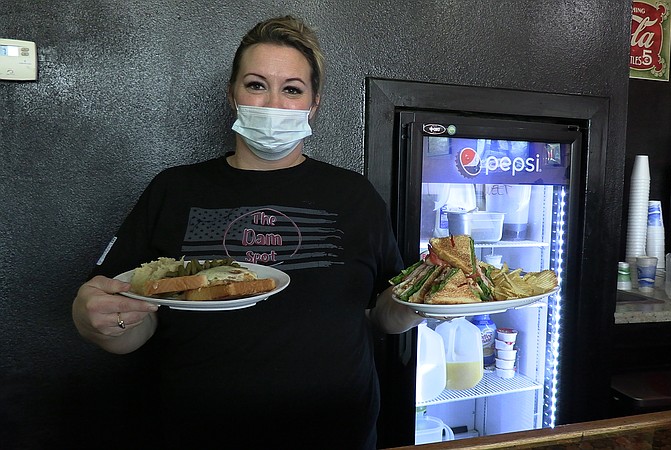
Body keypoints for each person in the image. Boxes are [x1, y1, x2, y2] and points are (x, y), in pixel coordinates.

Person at [71, 15, 422, 449]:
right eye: (256, 85)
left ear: (313, 105)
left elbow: (383, 317)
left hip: (336, 432)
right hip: (196, 431)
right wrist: (99, 322)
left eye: (292, 89)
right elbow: (130, 320)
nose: (273, 103)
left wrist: (419, 304)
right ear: (232, 96)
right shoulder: (175, 189)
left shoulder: (355, 195)